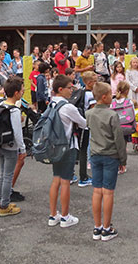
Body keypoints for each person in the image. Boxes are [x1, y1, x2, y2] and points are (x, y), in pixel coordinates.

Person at [86, 81, 127, 241]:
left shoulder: (89, 114)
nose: (113, 96)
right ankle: (106, 227)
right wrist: (123, 159)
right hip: (110, 155)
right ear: (104, 97)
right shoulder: (112, 115)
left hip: (95, 154)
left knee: (97, 190)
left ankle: (97, 227)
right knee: (108, 192)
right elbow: (118, 139)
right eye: (111, 94)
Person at [48, 75, 87, 229]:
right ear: (60, 89)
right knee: (65, 182)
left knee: (56, 179)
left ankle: (53, 215)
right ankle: (65, 216)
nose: (72, 90)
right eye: (69, 88)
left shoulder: (51, 103)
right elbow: (84, 123)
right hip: (68, 146)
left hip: (54, 146)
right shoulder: (68, 107)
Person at [0, 77, 26, 217]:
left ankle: (0, 201)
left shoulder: (1, 104)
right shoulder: (14, 110)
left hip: (0, 143)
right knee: (8, 175)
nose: (23, 91)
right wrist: (23, 149)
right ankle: (5, 205)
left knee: (2, 174)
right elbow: (18, 133)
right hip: (11, 146)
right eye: (22, 90)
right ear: (16, 93)